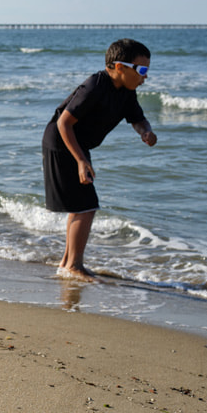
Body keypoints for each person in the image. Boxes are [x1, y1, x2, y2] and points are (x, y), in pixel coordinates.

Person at [41, 38, 158, 282]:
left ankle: (67, 263)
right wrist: (81, 161)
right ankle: (73, 265)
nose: (145, 77)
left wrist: (145, 131)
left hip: (77, 146)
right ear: (120, 67)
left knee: (80, 205)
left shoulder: (127, 92)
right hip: (62, 142)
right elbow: (64, 122)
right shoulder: (95, 85)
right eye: (142, 70)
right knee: (86, 205)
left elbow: (137, 118)